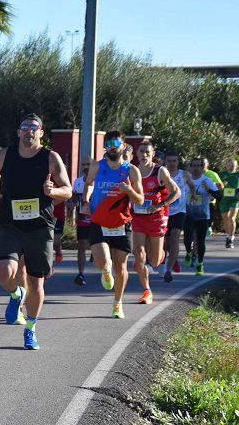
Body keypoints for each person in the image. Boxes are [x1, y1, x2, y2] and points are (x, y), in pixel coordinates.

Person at [0, 114, 72, 349]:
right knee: (4, 271)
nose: (29, 131)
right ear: (18, 132)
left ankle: (31, 328)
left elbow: (68, 190)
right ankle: (15, 294)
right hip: (9, 223)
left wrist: (52, 191)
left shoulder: (50, 159)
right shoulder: (4, 155)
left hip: (39, 226)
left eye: (34, 128)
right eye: (24, 127)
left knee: (37, 283)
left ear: (41, 133)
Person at [80, 131, 144, 319]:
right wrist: (86, 200)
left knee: (120, 266)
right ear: (105, 146)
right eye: (109, 143)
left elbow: (140, 200)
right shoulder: (97, 166)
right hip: (99, 220)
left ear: (123, 146)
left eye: (116, 143)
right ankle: (105, 270)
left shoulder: (131, 170)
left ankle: (117, 303)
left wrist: (129, 189)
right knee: (102, 262)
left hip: (121, 223)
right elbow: (89, 183)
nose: (113, 147)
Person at [130, 140, 180, 304]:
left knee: (155, 260)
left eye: (147, 152)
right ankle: (147, 290)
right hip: (138, 217)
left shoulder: (160, 172)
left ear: (153, 154)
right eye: (141, 151)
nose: (144, 155)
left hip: (156, 218)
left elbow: (176, 192)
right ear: (136, 154)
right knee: (139, 254)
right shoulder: (132, 171)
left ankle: (161, 256)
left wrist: (160, 205)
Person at [182, 157, 223, 275]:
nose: (195, 168)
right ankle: (189, 253)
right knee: (187, 238)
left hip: (202, 216)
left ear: (202, 167)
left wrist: (210, 190)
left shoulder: (207, 180)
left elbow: (220, 197)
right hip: (188, 214)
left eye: (198, 166)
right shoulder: (186, 180)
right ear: (190, 167)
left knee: (200, 241)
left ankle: (200, 263)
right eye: (193, 166)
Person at [163, 151, 189, 282]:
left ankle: (168, 269)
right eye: (169, 161)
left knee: (174, 238)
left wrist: (194, 196)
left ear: (178, 162)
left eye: (174, 161)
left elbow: (192, 186)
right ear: (165, 162)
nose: (172, 164)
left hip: (179, 211)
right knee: (166, 243)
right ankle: (174, 259)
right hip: (165, 211)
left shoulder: (184, 174)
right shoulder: (162, 174)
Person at [69, 157, 93, 285]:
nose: (86, 166)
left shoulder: (99, 180)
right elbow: (72, 199)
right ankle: (81, 273)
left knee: (101, 245)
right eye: (83, 164)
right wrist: (71, 203)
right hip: (83, 219)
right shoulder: (77, 182)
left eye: (88, 164)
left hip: (97, 219)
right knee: (82, 246)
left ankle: (108, 270)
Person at [218, 158, 239, 249]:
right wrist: (222, 185)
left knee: (232, 217)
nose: (231, 167)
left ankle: (231, 238)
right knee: (225, 219)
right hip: (224, 199)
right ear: (226, 165)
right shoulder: (221, 174)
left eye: (233, 165)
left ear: (236, 166)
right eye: (229, 165)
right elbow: (217, 186)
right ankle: (228, 236)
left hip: (235, 199)